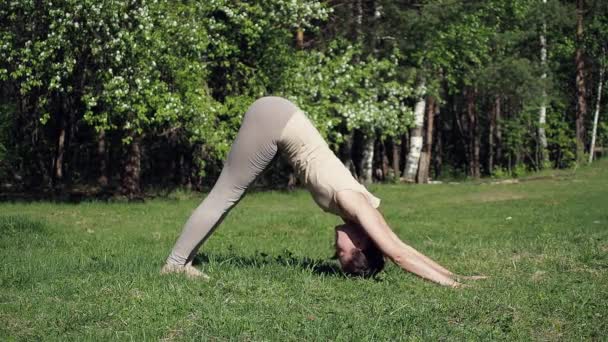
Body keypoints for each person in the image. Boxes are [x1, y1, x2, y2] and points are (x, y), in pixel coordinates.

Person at [162, 97, 483, 286]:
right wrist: (453, 287)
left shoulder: (359, 210)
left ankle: (181, 262)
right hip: (273, 120)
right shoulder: (353, 202)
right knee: (225, 194)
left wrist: (455, 276)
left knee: (229, 196)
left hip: (278, 117)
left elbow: (400, 246)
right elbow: (398, 254)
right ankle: (175, 264)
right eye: (340, 253)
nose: (334, 247)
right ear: (359, 243)